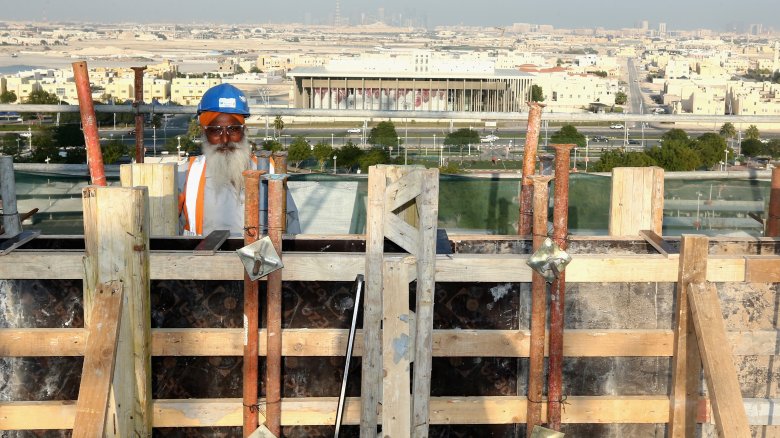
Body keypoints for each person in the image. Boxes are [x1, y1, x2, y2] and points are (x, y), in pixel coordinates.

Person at [178, 83, 299, 236]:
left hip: (257, 259)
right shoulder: (186, 175)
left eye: (233, 129)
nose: (225, 138)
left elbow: (290, 224)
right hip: (203, 258)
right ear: (204, 132)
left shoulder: (269, 171)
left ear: (244, 131)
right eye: (216, 130)